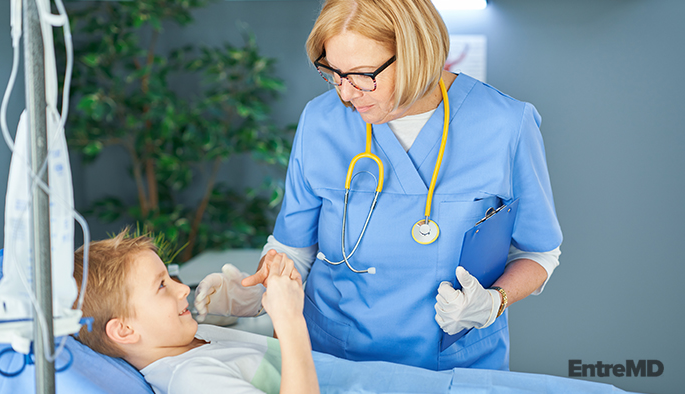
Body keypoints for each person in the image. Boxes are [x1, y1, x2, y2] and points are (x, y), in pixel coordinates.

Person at [195, 0, 562, 371]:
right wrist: (254, 292)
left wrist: (493, 301)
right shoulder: (321, 121)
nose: (345, 94)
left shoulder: (505, 124)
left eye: (362, 75)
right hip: (332, 359)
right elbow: (295, 250)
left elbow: (539, 253)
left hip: (452, 365)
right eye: (333, 73)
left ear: (416, 53)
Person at [71, 230, 319, 394]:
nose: (181, 288)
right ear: (124, 330)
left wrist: (263, 299)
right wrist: (290, 320)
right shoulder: (192, 380)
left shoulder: (191, 340)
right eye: (161, 285)